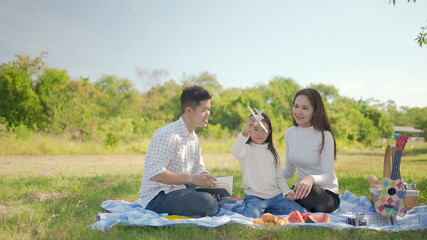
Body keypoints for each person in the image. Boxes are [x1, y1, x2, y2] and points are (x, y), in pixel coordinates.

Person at [139, 85, 219, 217]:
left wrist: (208, 182)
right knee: (209, 203)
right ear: (189, 110)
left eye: (209, 109)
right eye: (204, 110)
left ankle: (211, 195)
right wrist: (193, 179)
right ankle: (208, 201)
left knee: (217, 189)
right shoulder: (168, 135)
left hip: (182, 189)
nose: (208, 114)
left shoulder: (193, 137)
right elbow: (156, 174)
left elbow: (199, 168)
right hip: (159, 197)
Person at [231, 112, 303, 218]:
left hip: (275, 196)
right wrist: (245, 131)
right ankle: (237, 208)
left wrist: (287, 192)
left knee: (297, 210)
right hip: (255, 196)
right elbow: (235, 151)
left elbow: (279, 177)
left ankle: (266, 209)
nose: (259, 134)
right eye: (255, 129)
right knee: (251, 215)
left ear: (269, 132)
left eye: (264, 130)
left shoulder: (272, 153)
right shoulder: (246, 150)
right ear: (250, 130)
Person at [282, 88, 340, 213]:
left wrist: (311, 178)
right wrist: (269, 176)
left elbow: (329, 176)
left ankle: (289, 198)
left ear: (315, 111)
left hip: (324, 194)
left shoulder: (325, 136)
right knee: (273, 187)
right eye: (296, 106)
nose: (298, 111)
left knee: (308, 192)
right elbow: (289, 171)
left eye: (305, 108)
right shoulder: (290, 133)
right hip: (301, 191)